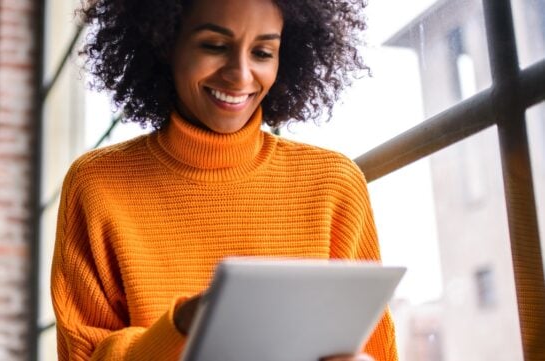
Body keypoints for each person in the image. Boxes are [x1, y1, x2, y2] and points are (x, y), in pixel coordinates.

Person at [50, 0, 398, 360]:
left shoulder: (333, 185)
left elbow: (376, 350)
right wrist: (183, 324)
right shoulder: (97, 184)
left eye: (263, 52)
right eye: (214, 46)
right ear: (165, 43)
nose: (241, 75)